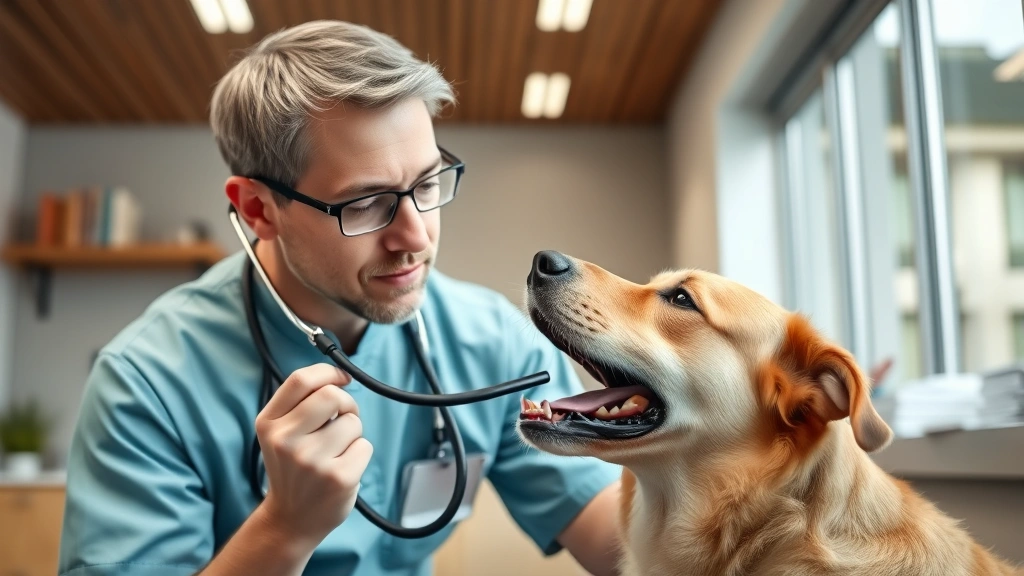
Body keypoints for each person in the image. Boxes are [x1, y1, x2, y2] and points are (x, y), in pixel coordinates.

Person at [57, 19, 624, 576]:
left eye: (427, 184)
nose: (416, 237)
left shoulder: (490, 341)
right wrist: (285, 530)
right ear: (258, 210)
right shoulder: (146, 383)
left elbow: (619, 544)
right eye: (367, 203)